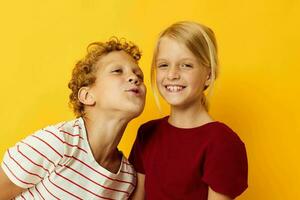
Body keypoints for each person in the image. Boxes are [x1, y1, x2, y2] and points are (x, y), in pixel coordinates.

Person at [0, 37, 146, 199]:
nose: (134, 78)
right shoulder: (56, 143)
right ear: (87, 96)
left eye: (139, 74)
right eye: (117, 71)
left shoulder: (126, 180)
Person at [129, 21, 248, 200]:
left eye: (186, 65)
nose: (172, 74)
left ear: (209, 75)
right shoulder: (147, 133)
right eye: (163, 65)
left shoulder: (222, 142)